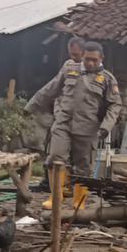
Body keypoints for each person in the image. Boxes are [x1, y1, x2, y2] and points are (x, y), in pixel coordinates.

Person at [27, 42, 122, 208]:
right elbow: (51, 89)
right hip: (63, 123)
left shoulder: (107, 79)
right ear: (82, 56)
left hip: (88, 127)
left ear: (101, 58)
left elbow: (115, 105)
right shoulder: (70, 70)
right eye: (87, 59)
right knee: (55, 158)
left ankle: (80, 201)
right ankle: (56, 197)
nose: (90, 63)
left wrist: (106, 126)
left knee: (83, 166)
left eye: (94, 60)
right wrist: (31, 106)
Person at [27, 36, 87, 200]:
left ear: (83, 52)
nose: (73, 57)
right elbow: (52, 87)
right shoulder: (68, 66)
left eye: (76, 54)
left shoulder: (92, 68)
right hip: (62, 116)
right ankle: (53, 189)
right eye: (71, 54)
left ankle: (77, 195)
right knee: (54, 153)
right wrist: (32, 105)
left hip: (83, 121)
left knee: (81, 159)